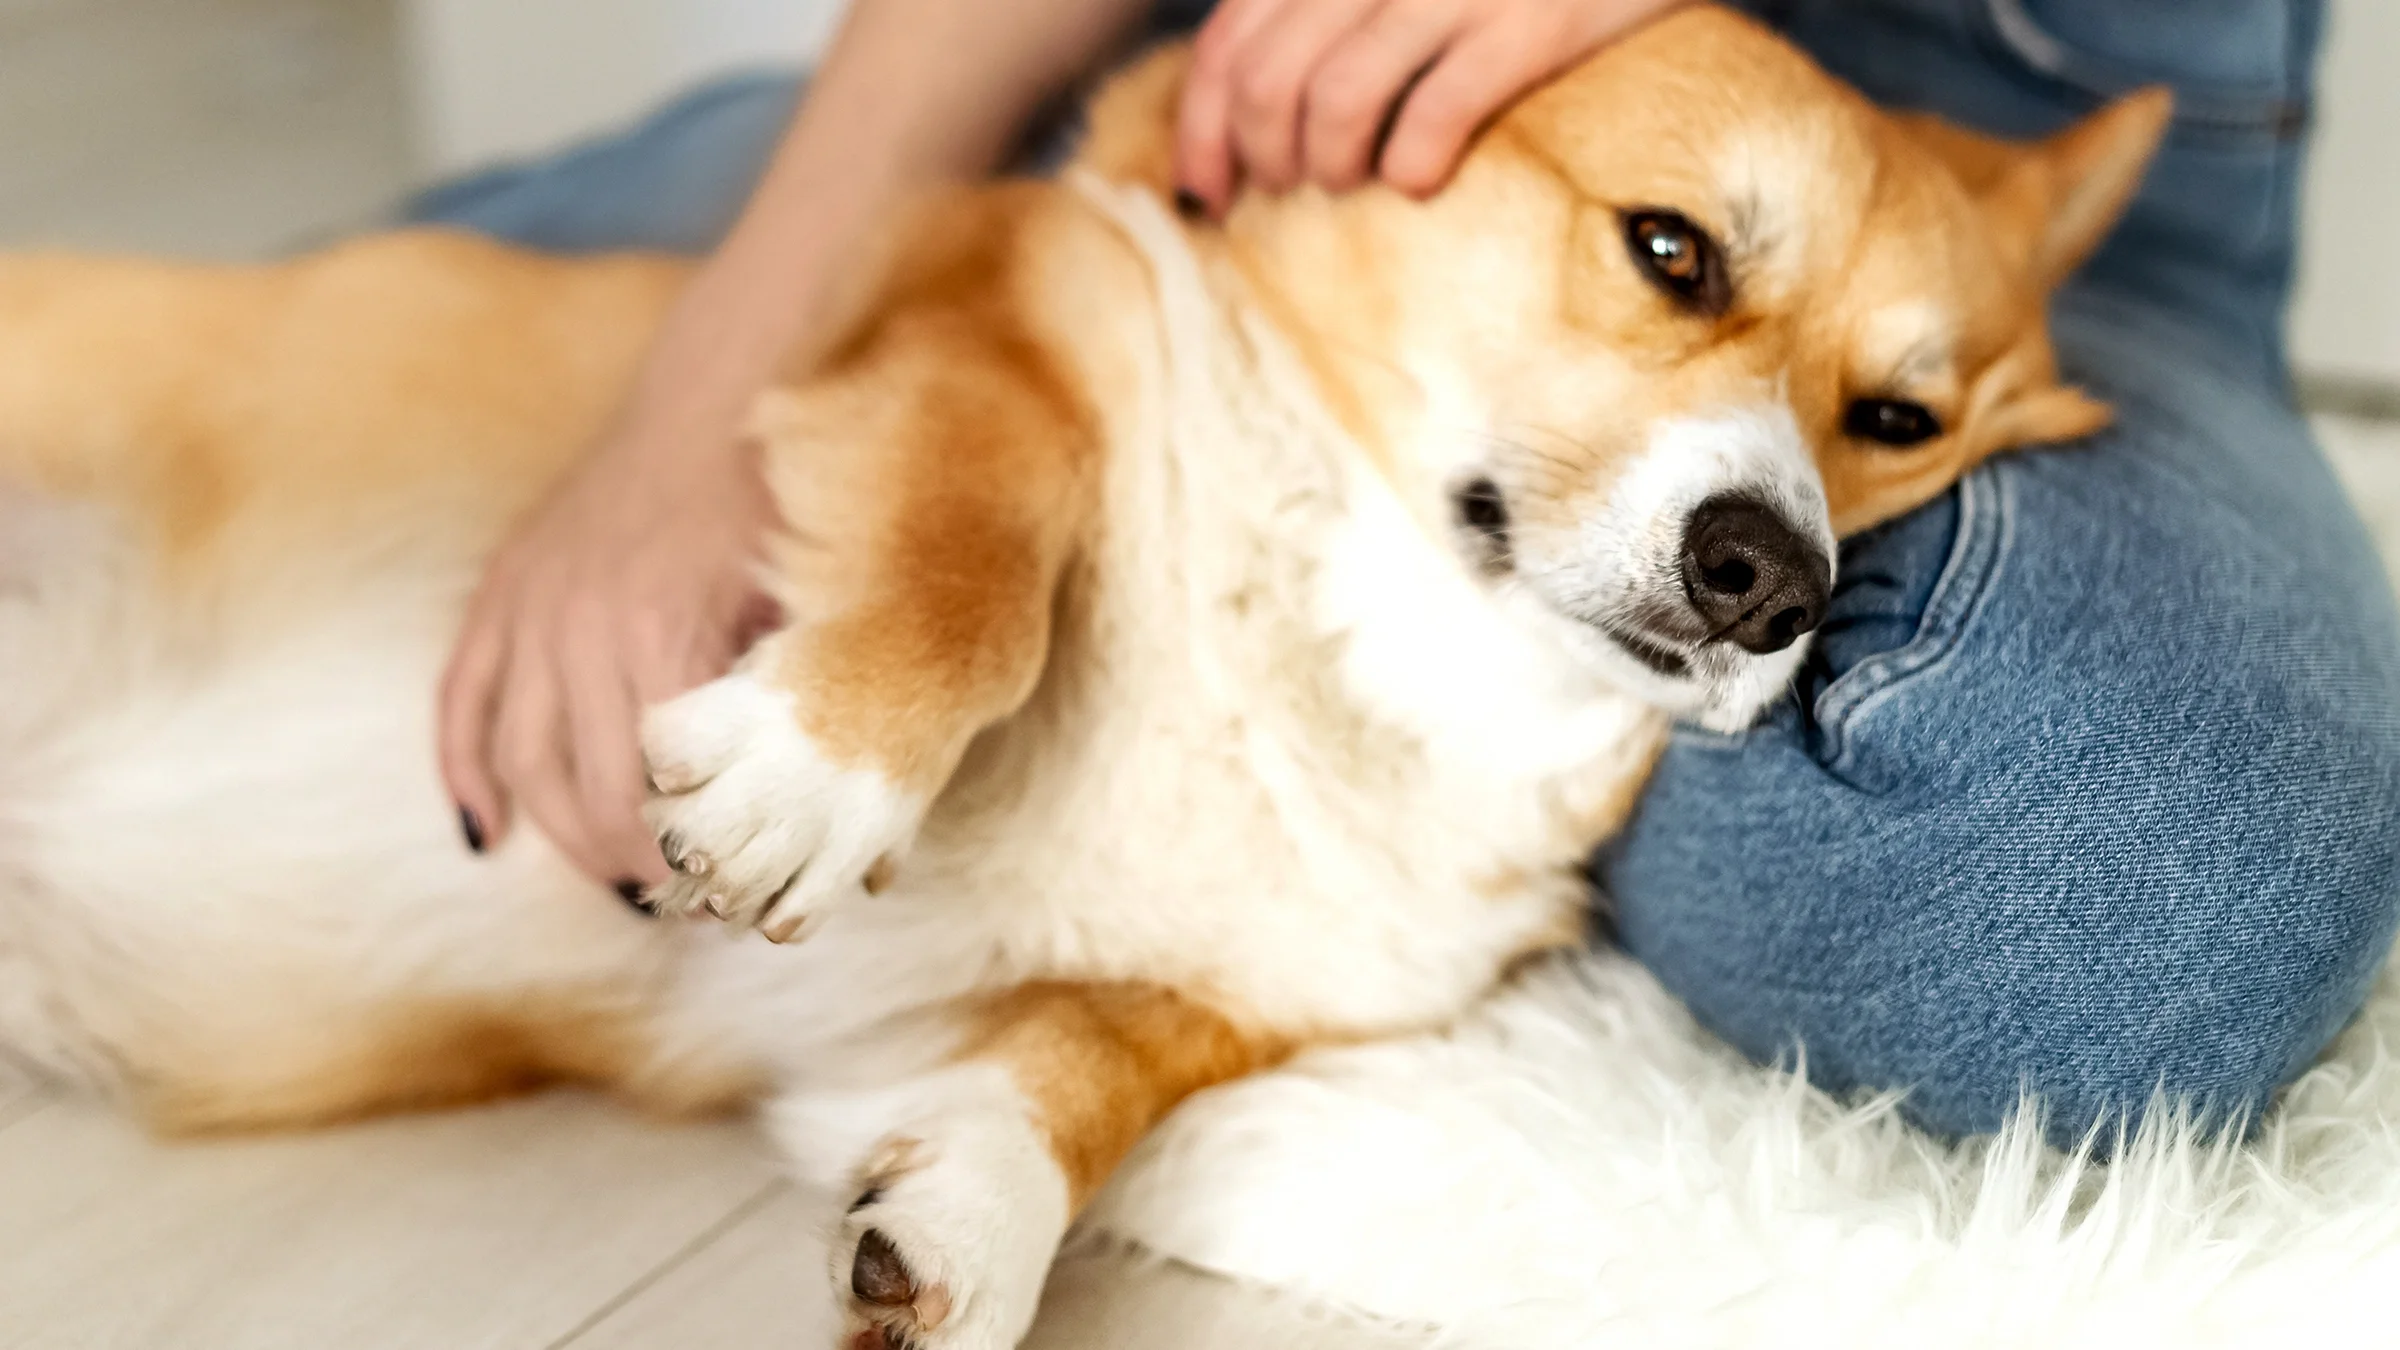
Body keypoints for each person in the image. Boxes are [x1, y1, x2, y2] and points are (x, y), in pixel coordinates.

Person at [416, 0, 2400, 1146]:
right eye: (1684, 273)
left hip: (2018, 118)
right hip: (1333, 71)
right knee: (411, 372)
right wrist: (706, 391)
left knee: (2137, 907)